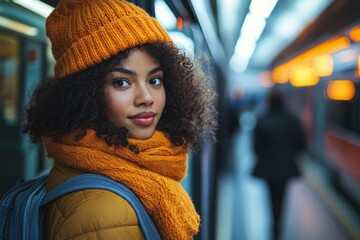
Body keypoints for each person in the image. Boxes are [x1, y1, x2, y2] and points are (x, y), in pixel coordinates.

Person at [22, 0, 217, 239]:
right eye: (121, 82)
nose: (146, 98)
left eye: (155, 80)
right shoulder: (105, 212)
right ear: (84, 93)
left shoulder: (107, 170)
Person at [252, 89, 306, 240]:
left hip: (268, 167)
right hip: (286, 167)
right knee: (282, 195)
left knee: (271, 195)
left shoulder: (262, 120)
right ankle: (278, 223)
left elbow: (256, 148)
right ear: (283, 102)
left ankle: (274, 223)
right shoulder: (292, 120)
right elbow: (301, 145)